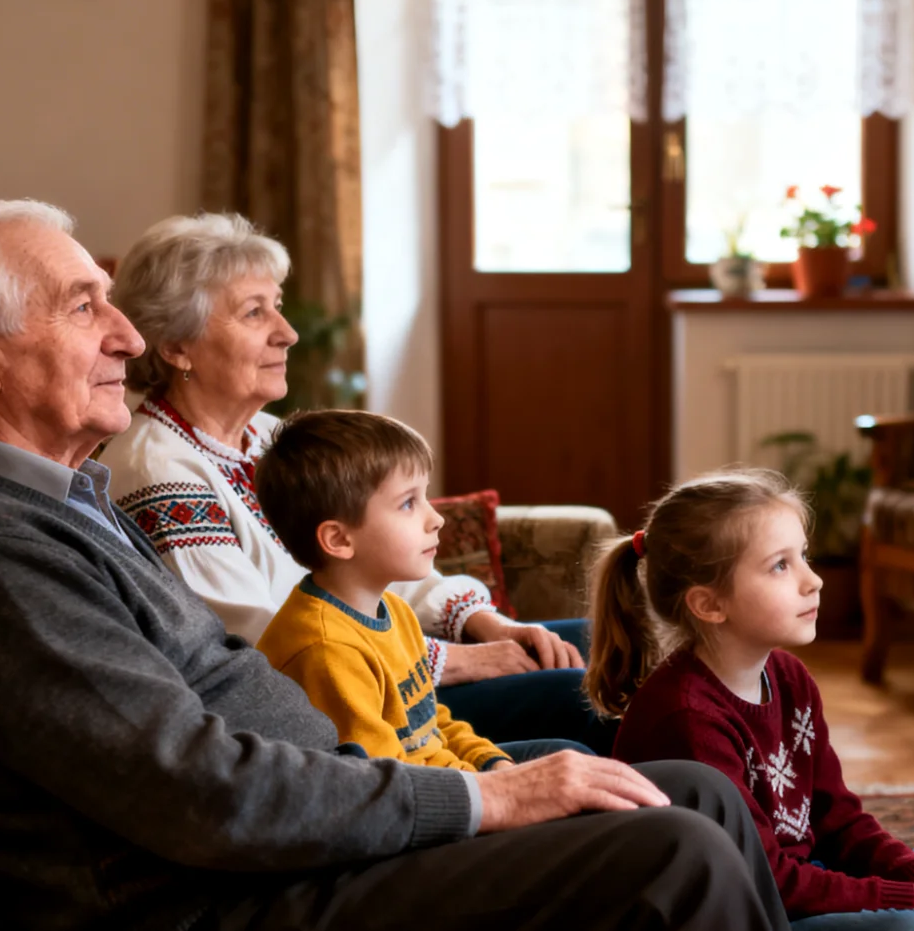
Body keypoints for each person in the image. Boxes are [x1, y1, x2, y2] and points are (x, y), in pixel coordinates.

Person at [0, 200, 790, 931]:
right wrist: (482, 794)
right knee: (673, 849)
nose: (126, 336)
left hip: (307, 826)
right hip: (218, 901)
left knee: (687, 787)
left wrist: (437, 755)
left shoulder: (54, 495)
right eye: (83, 305)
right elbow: (201, 792)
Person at [96, 213, 611, 752]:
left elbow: (378, 553)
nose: (287, 332)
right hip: (345, 704)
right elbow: (258, 639)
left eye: (278, 305)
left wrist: (485, 624)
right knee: (588, 692)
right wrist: (460, 661)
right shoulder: (157, 470)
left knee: (604, 642)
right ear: (177, 345)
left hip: (392, 669)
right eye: (254, 313)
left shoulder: (271, 438)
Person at [589, 468, 914, 931]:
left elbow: (840, 821)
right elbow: (769, 883)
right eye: (780, 566)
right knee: (912, 927)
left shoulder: (790, 678)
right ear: (709, 604)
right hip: (759, 909)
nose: (814, 581)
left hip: (811, 881)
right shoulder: (686, 717)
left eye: (803, 555)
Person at [253, 408, 589, 768]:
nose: (436, 518)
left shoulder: (393, 612)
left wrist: (491, 763)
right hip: (418, 805)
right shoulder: (325, 651)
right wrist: (501, 788)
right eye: (408, 503)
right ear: (338, 538)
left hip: (442, 779)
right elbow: (391, 785)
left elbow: (431, 724)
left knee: (574, 756)